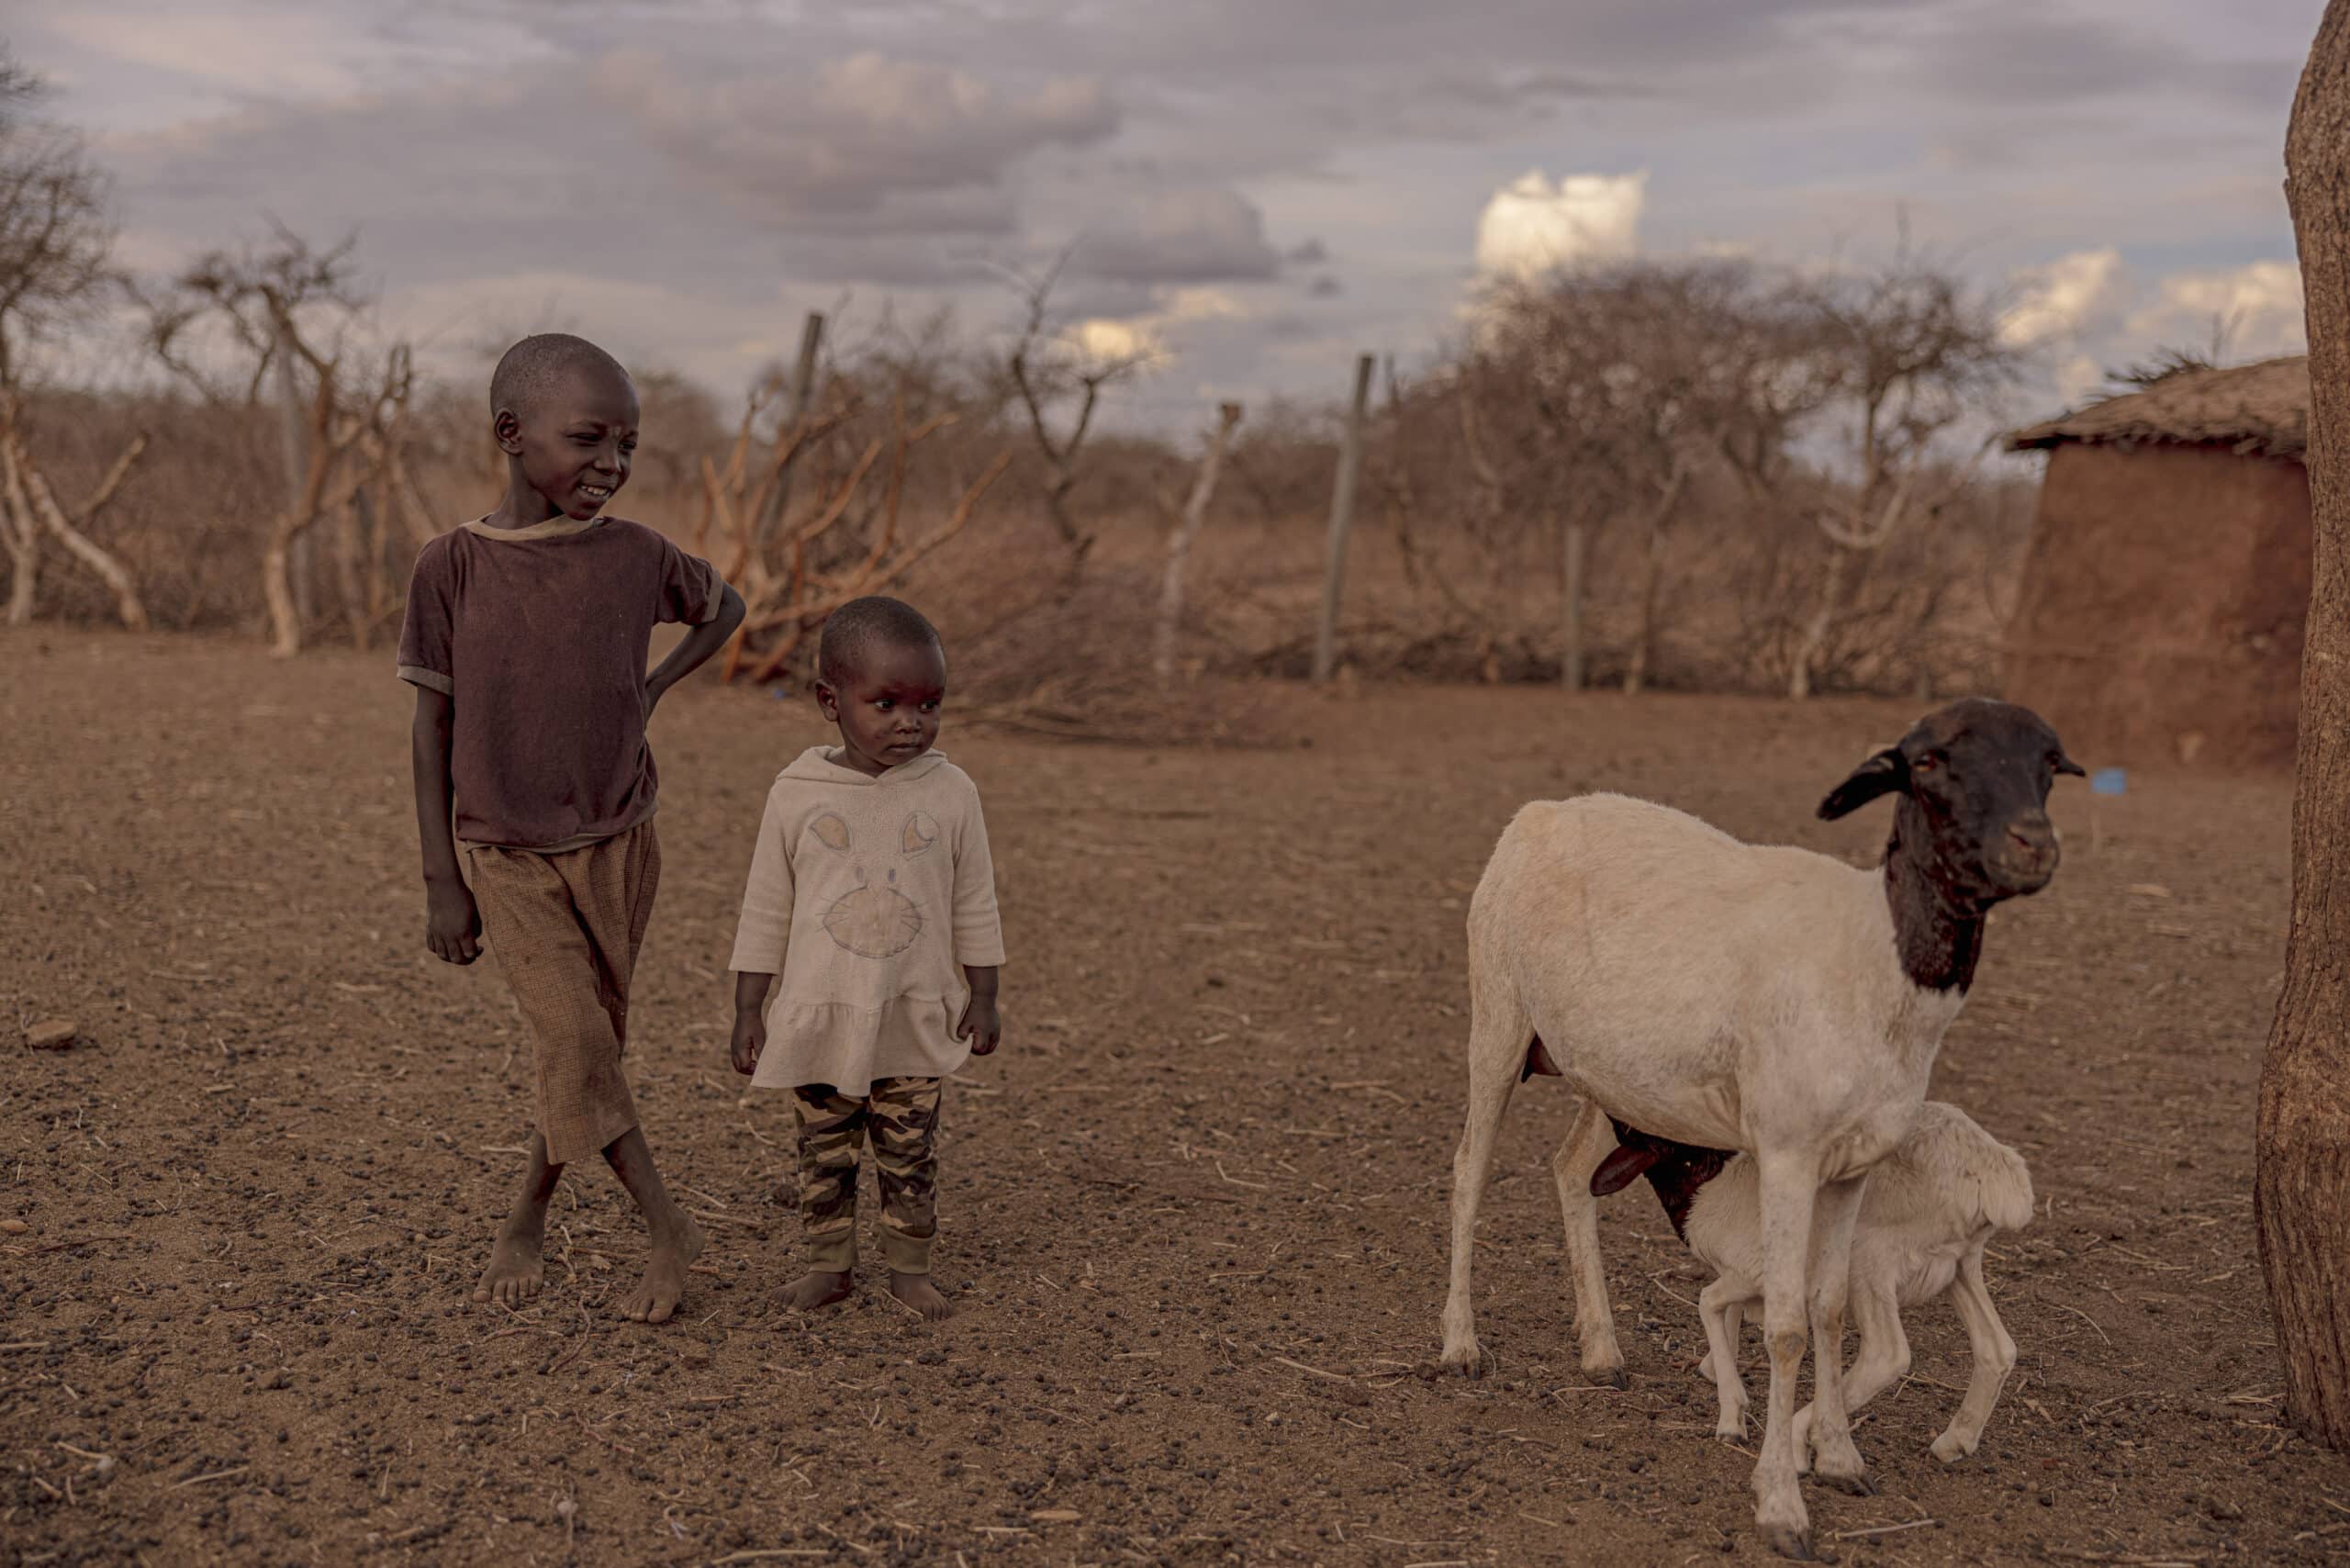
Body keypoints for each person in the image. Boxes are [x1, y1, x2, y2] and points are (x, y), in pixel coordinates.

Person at [398, 332, 745, 1325]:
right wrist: (440, 878)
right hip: (503, 852)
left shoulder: (635, 555)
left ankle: (526, 1217)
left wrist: (653, 688)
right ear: (511, 435)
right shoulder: (452, 566)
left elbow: (726, 608)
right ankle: (668, 1225)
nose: (613, 464)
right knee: (574, 1033)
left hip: (620, 839)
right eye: (589, 439)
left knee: (585, 1053)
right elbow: (429, 726)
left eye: (628, 445)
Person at [728, 596, 1004, 1320]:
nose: (910, 722)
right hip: (819, 1014)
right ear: (830, 700)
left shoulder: (951, 793)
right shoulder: (797, 795)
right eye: (885, 703)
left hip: (913, 1017)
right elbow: (765, 907)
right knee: (825, 1153)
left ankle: (910, 1269)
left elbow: (974, 899)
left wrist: (985, 993)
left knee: (909, 1152)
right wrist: (748, 1009)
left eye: (929, 704)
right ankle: (829, 1267)